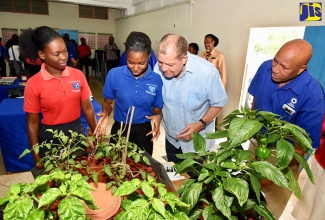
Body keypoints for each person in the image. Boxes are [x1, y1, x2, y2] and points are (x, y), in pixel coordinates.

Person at [248, 39, 325, 219]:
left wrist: (276, 174)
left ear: (301, 69)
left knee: (269, 208)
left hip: (284, 157)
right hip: (257, 144)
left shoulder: (313, 95)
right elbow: (254, 103)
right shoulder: (265, 68)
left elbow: (302, 146)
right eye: (276, 60)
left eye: (284, 67)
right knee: (247, 194)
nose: (275, 68)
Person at [20, 26, 97, 166]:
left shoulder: (78, 75)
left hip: (77, 135)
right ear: (42, 55)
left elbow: (88, 108)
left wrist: (96, 135)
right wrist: (37, 159)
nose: (64, 57)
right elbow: (32, 123)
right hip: (51, 139)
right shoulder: (33, 84)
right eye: (57, 54)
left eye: (65, 51)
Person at [153, 33, 228, 163]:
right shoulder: (158, 69)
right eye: (161, 62)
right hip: (172, 140)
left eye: (170, 64)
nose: (164, 68)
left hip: (197, 144)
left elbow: (218, 103)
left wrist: (200, 124)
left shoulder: (207, 72)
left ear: (184, 59)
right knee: (175, 179)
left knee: (195, 180)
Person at [94, 31, 163, 156]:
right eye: (131, 62)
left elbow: (157, 110)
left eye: (141, 63)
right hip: (120, 129)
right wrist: (105, 114)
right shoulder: (114, 75)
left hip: (144, 132)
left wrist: (158, 117)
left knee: (143, 167)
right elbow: (108, 102)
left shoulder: (156, 79)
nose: (136, 68)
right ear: (126, 56)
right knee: (117, 168)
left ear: (149, 56)